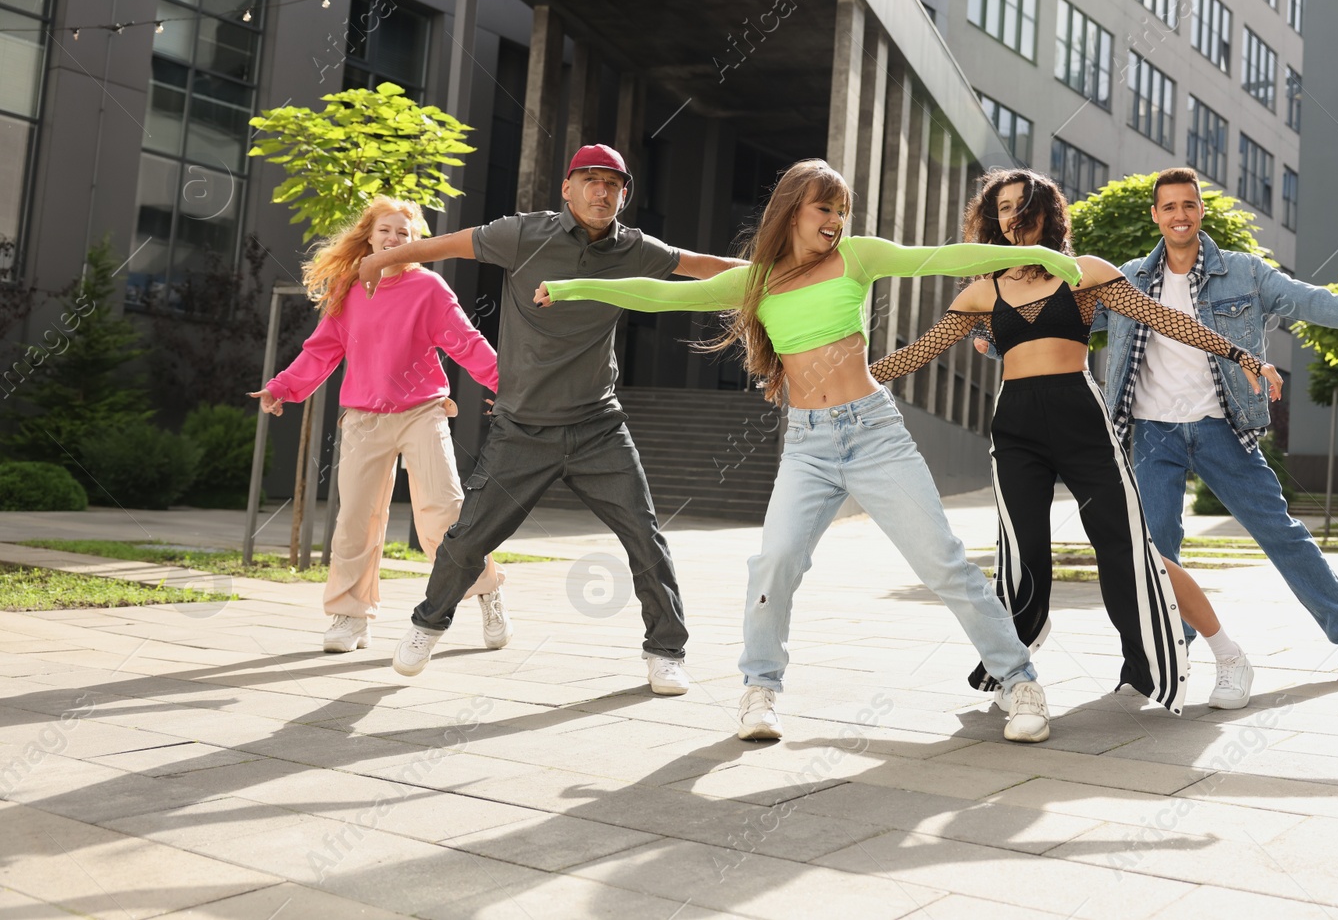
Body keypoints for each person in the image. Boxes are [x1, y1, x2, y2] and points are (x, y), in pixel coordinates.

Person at [536, 159, 1089, 745]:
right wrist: (573, 287)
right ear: (793, 210)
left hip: (874, 434)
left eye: (842, 210)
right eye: (824, 208)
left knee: (943, 564)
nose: (835, 220)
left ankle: (1018, 679)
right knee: (774, 564)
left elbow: (945, 257)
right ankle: (760, 690)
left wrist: (1047, 259)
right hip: (808, 444)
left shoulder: (859, 257)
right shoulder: (757, 280)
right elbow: (657, 294)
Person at [870, 169, 1279, 712]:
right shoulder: (981, 290)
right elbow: (915, 354)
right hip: (1016, 427)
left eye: (1023, 204)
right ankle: (1017, 672)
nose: (1014, 216)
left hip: (1081, 419)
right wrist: (831, 382)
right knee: (1021, 556)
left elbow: (1168, 320)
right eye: (1004, 207)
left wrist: (1242, 355)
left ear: (1047, 212)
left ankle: (1227, 655)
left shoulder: (1084, 274)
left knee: (1130, 546)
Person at [354, 145, 745, 692]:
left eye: (613, 183)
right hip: (521, 428)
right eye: (590, 180)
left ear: (624, 194)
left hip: (597, 427)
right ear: (568, 188)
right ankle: (426, 624)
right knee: (466, 539)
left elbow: (703, 268)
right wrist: (379, 259)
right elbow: (456, 244)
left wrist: (783, 271)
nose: (601, 191)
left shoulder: (633, 249)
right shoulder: (525, 234)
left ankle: (666, 651)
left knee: (644, 537)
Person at [1099, 167, 1338, 683]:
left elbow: (1313, 299)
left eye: (1188, 204)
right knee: (1157, 550)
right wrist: (994, 334)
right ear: (1155, 215)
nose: (1180, 215)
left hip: (1220, 426)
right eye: (1169, 207)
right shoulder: (1128, 278)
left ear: (1200, 209)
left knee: (1281, 533)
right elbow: (1062, 317)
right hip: (1152, 431)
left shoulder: (1244, 272)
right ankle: (1165, 652)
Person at [251, 196, 508, 654]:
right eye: (386, 230)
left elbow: (467, 343)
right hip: (364, 419)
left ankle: (487, 590)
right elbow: (321, 350)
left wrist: (508, 386)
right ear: (369, 235)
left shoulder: (428, 289)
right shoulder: (349, 290)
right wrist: (283, 388)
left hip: (421, 412)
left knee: (443, 511)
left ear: (415, 243)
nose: (394, 239)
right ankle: (350, 617)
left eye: (404, 234)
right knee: (355, 519)